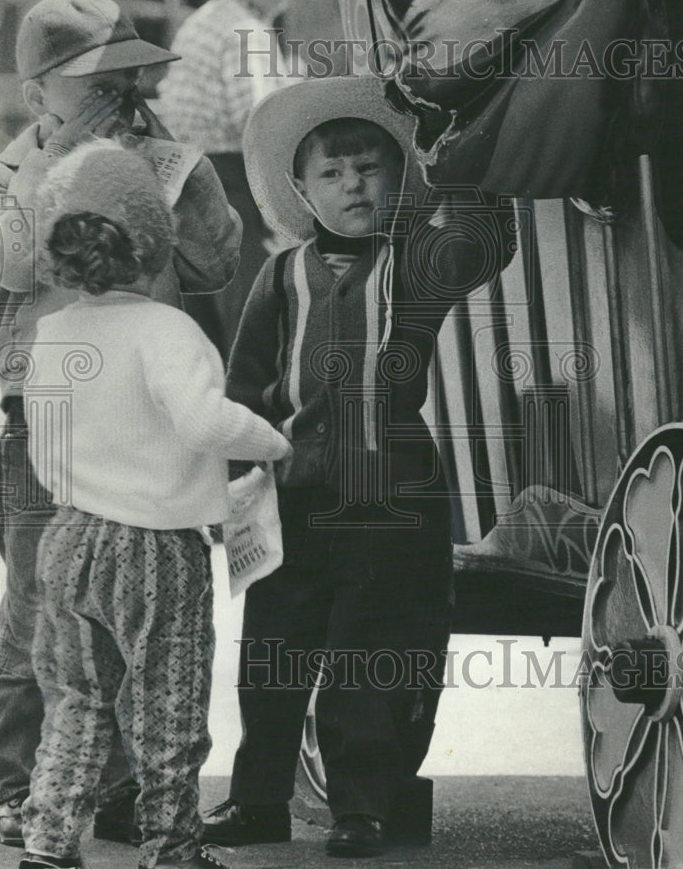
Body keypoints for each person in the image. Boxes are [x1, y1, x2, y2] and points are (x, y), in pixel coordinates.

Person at [201, 76, 515, 858]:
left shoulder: (414, 266)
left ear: (398, 178)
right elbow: (244, 392)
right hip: (293, 503)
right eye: (333, 174)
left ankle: (362, 810)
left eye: (371, 167)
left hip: (393, 503)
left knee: (370, 665)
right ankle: (259, 801)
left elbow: (487, 244)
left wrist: (463, 161)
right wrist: (233, 485)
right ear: (301, 190)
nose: (353, 185)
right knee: (271, 661)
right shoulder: (277, 279)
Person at [0, 0, 242, 848]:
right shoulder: (5, 171)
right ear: (38, 94)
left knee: (144, 611)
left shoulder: (162, 163)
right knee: (38, 607)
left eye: (122, 75)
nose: (109, 94)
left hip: (144, 416)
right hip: (48, 413)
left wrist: (169, 170)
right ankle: (19, 791)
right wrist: (69, 160)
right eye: (89, 81)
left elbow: (214, 263)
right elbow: (16, 267)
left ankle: (124, 792)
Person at [16, 139, 291, 869]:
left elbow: (43, 455)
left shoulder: (51, 334)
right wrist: (274, 442)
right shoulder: (168, 331)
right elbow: (203, 422)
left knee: (76, 702)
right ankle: (172, 847)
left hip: (70, 539)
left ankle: (48, 843)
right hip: (156, 551)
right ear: (154, 244)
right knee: (165, 703)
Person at [157, 0, 299, 357]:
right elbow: (260, 126)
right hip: (231, 179)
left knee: (213, 338)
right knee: (254, 331)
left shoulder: (209, 18)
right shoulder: (245, 30)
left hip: (188, 184)